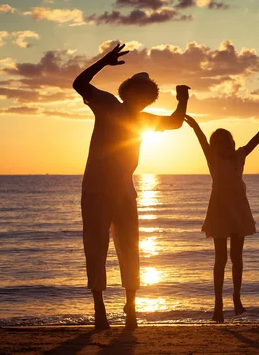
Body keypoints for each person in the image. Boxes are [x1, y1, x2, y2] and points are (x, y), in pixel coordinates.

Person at [73, 43, 190, 330]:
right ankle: (100, 311)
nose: (142, 97)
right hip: (95, 191)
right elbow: (79, 83)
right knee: (96, 248)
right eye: (138, 91)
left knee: (129, 249)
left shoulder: (144, 119)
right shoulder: (107, 103)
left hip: (124, 192)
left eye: (147, 94)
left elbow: (176, 123)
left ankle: (131, 310)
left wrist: (183, 99)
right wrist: (104, 60)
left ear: (148, 99)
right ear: (127, 92)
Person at [184, 104, 259, 323]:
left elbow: (258, 137)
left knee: (237, 258)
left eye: (228, 143)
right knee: (220, 259)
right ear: (215, 148)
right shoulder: (213, 160)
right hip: (219, 212)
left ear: (232, 144)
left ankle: (236, 297)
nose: (226, 147)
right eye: (220, 144)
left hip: (239, 211)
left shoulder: (239, 156)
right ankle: (218, 305)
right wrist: (194, 123)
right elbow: (201, 139)